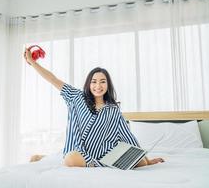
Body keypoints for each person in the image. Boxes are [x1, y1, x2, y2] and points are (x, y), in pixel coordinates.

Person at [24, 48, 164, 168]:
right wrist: (33, 62)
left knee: (141, 163)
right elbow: (53, 79)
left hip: (106, 153)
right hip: (77, 152)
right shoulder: (76, 97)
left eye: (102, 82)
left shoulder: (112, 109)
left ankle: (52, 158)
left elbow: (126, 135)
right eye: (94, 82)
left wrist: (147, 160)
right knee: (70, 159)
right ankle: (48, 158)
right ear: (88, 84)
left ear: (108, 85)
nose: (98, 86)